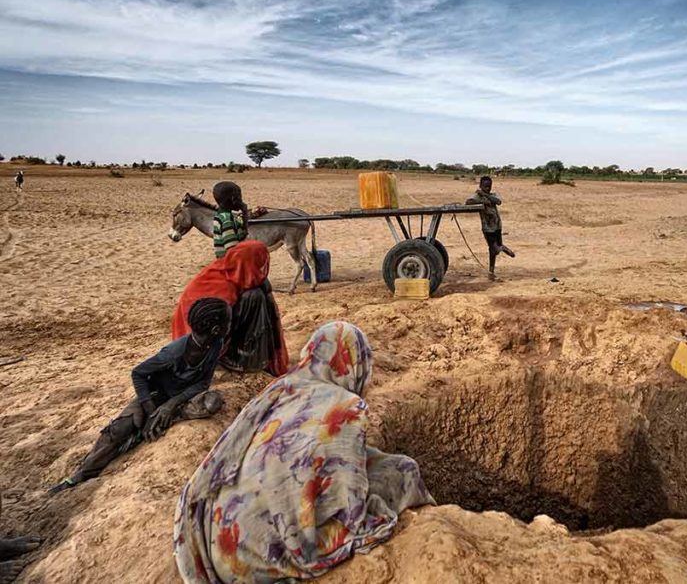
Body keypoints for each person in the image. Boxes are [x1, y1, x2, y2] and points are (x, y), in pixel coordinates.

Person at [174, 321, 434, 583]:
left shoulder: (281, 387)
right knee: (403, 472)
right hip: (258, 560)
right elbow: (349, 503)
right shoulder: (345, 407)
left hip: (215, 541)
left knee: (376, 462)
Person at [49, 298, 231, 494]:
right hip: (155, 396)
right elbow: (138, 373)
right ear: (214, 330)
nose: (230, 325)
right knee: (119, 430)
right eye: (228, 322)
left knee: (213, 401)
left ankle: (164, 419)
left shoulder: (215, 344)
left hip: (181, 398)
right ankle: (82, 473)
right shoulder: (173, 353)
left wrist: (170, 406)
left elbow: (203, 383)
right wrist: (152, 409)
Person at [172, 240, 289, 376]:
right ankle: (239, 358)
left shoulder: (231, 271)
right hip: (199, 347)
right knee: (254, 296)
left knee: (260, 291)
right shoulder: (219, 288)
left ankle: (249, 356)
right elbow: (206, 333)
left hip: (213, 336)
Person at [466, 176, 514, 280]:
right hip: (487, 227)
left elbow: (498, 201)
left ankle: (491, 272)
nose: (488, 188)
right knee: (494, 248)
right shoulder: (477, 196)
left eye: (489, 186)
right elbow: (468, 202)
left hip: (497, 225)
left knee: (493, 251)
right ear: (480, 186)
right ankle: (503, 249)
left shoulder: (492, 195)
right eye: (485, 186)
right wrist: (482, 201)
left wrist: (485, 195)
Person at [211, 181, 249, 259]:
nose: (241, 200)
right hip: (230, 265)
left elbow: (243, 234)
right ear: (233, 199)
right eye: (239, 197)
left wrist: (244, 215)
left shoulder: (221, 216)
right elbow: (232, 250)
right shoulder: (227, 220)